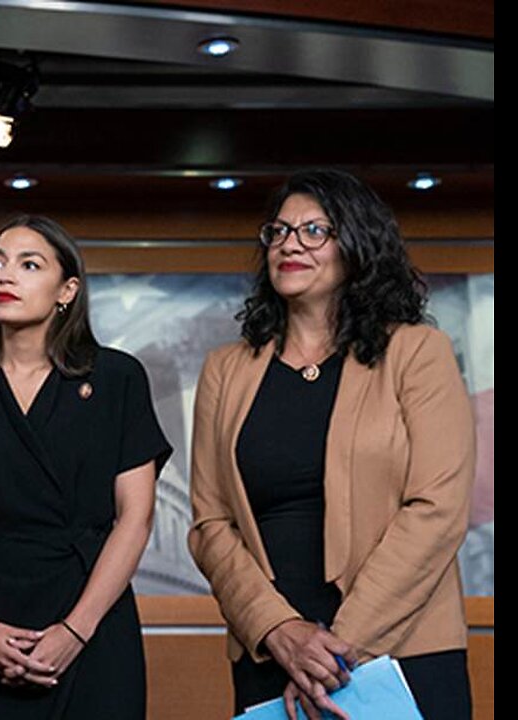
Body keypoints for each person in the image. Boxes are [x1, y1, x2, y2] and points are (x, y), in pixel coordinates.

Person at [188, 169, 474, 720]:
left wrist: (334, 652)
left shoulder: (418, 352)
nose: (290, 243)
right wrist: (280, 630)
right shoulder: (225, 369)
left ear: (358, 247)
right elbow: (210, 523)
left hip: (401, 649)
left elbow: (438, 510)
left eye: (315, 230)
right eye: (278, 231)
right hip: (269, 652)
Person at [0, 215, 171, 719]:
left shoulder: (117, 378)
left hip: (92, 614)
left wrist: (76, 630)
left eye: (28, 264)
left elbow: (135, 518)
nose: (5, 276)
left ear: (67, 290)